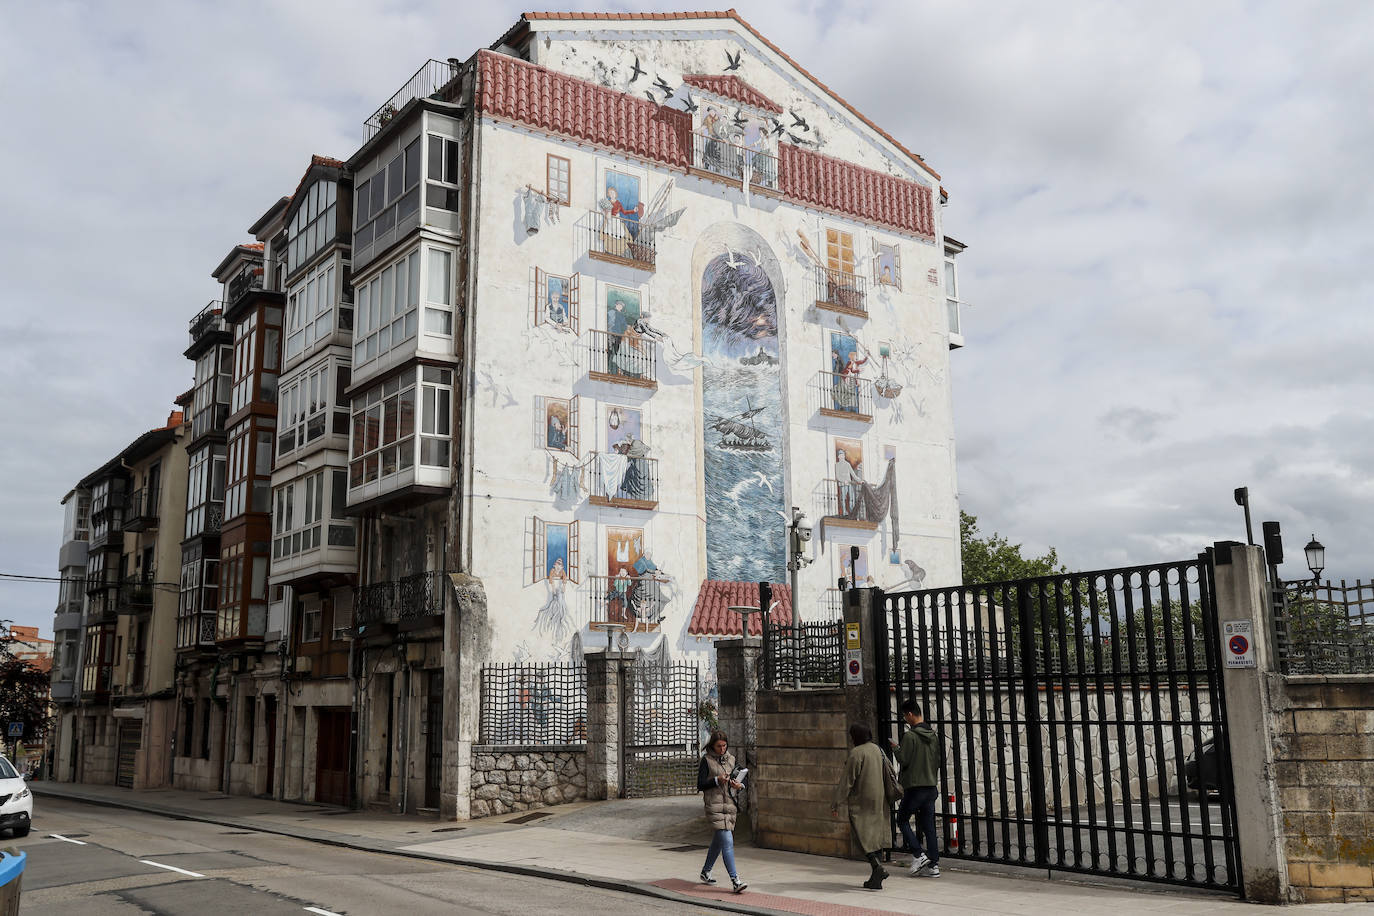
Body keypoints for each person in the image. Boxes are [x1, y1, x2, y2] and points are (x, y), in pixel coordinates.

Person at [831, 723, 890, 890]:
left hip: (861, 800)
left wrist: (836, 803)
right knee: (875, 836)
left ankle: (877, 866)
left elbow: (847, 781)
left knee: (861, 835)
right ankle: (876, 877)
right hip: (879, 797)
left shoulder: (856, 753)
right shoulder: (878, 749)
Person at [891, 699, 941, 877]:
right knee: (929, 826)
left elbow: (903, 759)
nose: (905, 719)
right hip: (930, 786)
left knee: (902, 820)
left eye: (905, 716)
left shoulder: (910, 736)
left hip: (915, 787)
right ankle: (933, 865)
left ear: (910, 714)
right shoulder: (933, 735)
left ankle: (918, 854)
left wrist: (896, 748)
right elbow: (938, 761)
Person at [697, 729, 747, 893]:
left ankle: (706, 871)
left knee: (719, 842)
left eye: (724, 746)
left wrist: (739, 785)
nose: (722, 749)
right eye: (719, 746)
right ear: (713, 745)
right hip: (715, 806)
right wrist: (717, 780)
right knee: (727, 841)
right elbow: (700, 785)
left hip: (730, 806)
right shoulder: (706, 761)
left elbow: (740, 776)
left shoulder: (731, 759)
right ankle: (735, 880)